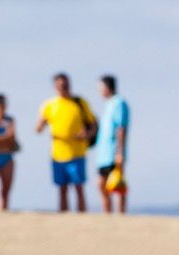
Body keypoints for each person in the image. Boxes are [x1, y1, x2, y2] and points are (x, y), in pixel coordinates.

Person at [36, 73, 97, 213]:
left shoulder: (79, 102)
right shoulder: (49, 105)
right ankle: (63, 217)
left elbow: (93, 124)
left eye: (66, 84)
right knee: (61, 188)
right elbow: (38, 128)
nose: (63, 87)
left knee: (78, 186)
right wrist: (41, 124)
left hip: (77, 152)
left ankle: (82, 216)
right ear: (55, 86)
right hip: (58, 152)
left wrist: (87, 134)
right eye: (60, 85)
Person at [94, 75, 131, 215]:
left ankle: (121, 214)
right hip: (103, 154)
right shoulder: (108, 104)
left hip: (113, 152)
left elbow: (121, 128)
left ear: (107, 87)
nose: (99, 91)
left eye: (100, 88)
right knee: (102, 185)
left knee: (117, 185)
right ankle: (107, 214)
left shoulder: (119, 103)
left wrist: (120, 152)